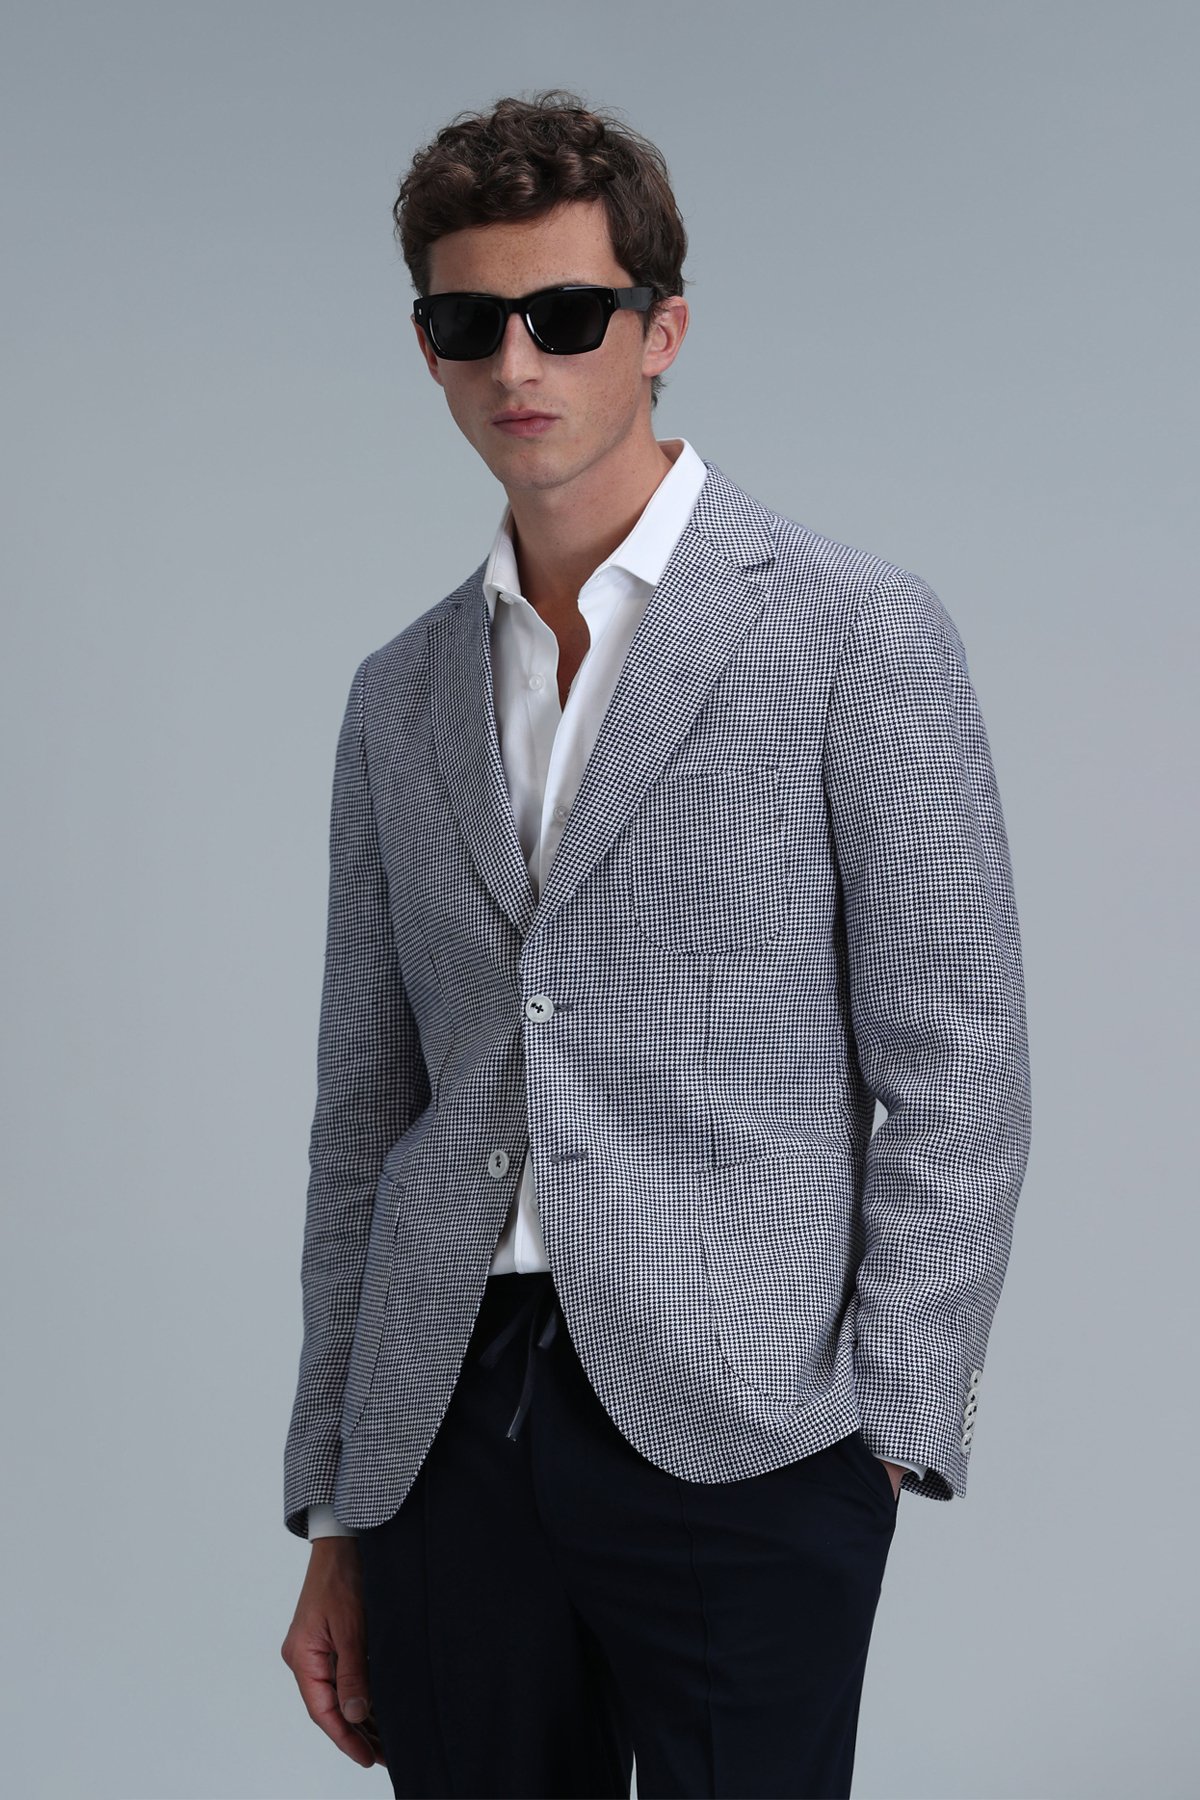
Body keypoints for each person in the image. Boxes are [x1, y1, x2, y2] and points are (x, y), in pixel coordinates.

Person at [280, 88, 1032, 1800]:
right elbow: (363, 1109)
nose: (518, 363)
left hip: (748, 1425)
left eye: (567, 315)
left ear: (661, 331)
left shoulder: (853, 632)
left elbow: (961, 1060)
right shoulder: (397, 696)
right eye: (471, 323)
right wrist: (336, 1497)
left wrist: (887, 1427)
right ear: (428, 348)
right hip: (441, 1429)